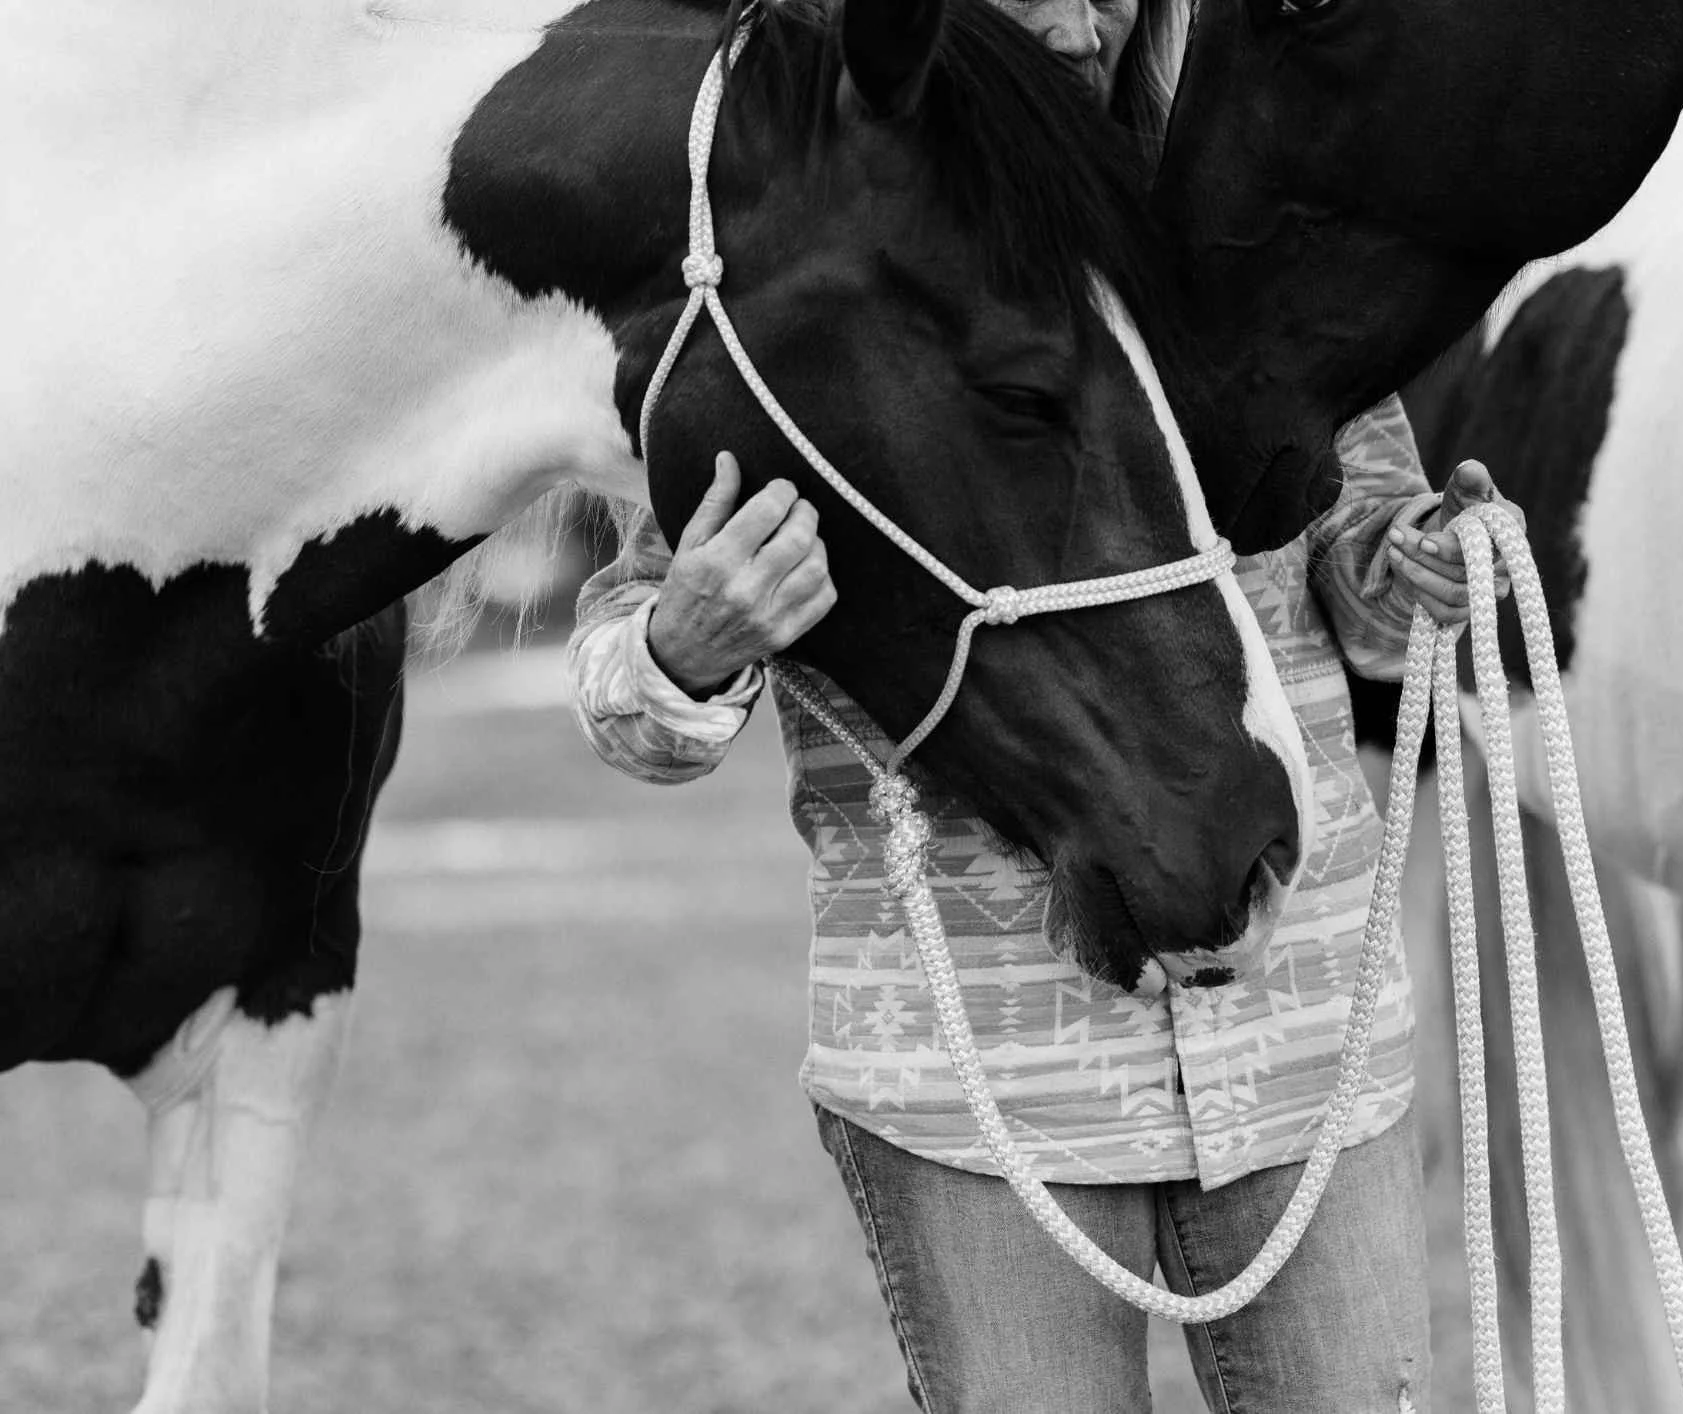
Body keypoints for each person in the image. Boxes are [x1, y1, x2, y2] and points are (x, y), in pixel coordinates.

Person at [568, 1, 1521, 1407]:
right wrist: (684, 640)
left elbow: (1364, 561)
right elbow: (623, 681)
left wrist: (1426, 564)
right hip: (981, 1088)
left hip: (1304, 1034)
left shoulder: (1248, 240)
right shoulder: (801, 260)